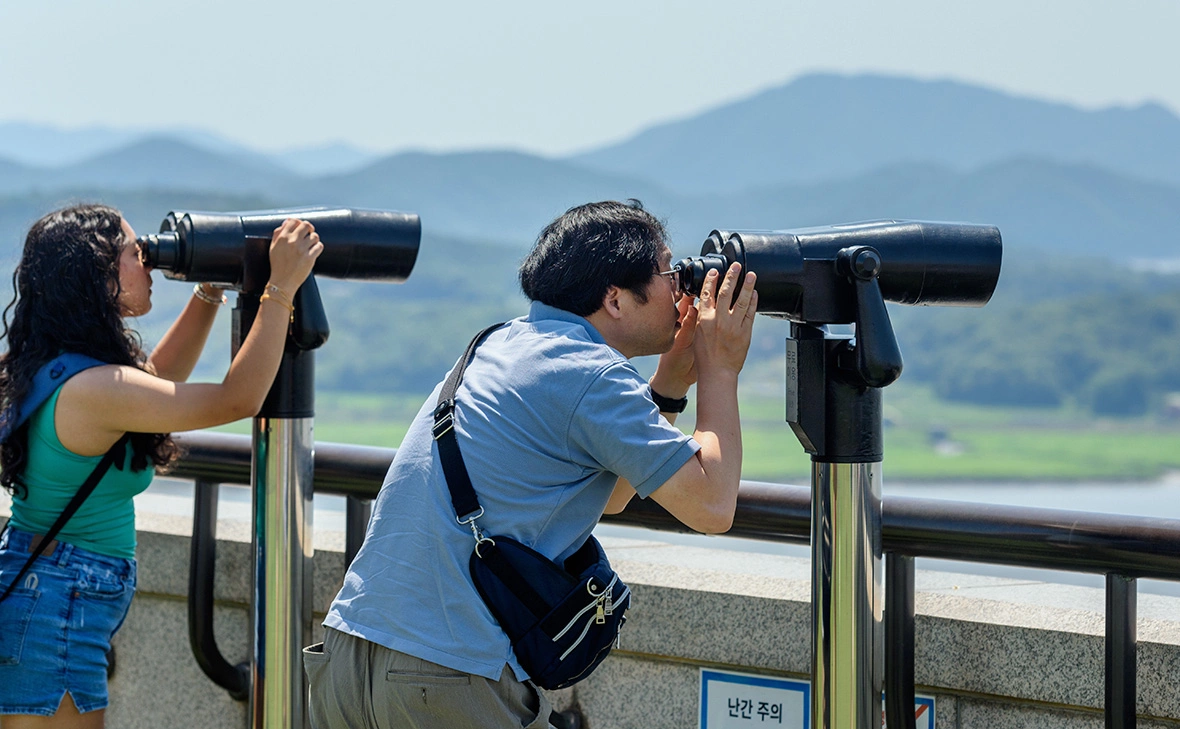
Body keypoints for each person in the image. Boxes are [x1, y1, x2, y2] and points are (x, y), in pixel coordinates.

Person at [305, 200, 758, 729]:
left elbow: (611, 495)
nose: (681, 289)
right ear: (614, 298)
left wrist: (671, 385)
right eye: (668, 273)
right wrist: (720, 367)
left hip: (348, 657)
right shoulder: (591, 373)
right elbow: (712, 505)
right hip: (447, 676)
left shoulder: (499, 343)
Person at [0, 203, 323, 728]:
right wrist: (280, 287)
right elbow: (237, 398)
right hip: (57, 607)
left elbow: (155, 381)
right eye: (135, 253)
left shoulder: (52, 369)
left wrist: (209, 289)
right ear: (98, 276)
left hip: (43, 591)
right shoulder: (95, 390)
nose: (148, 261)